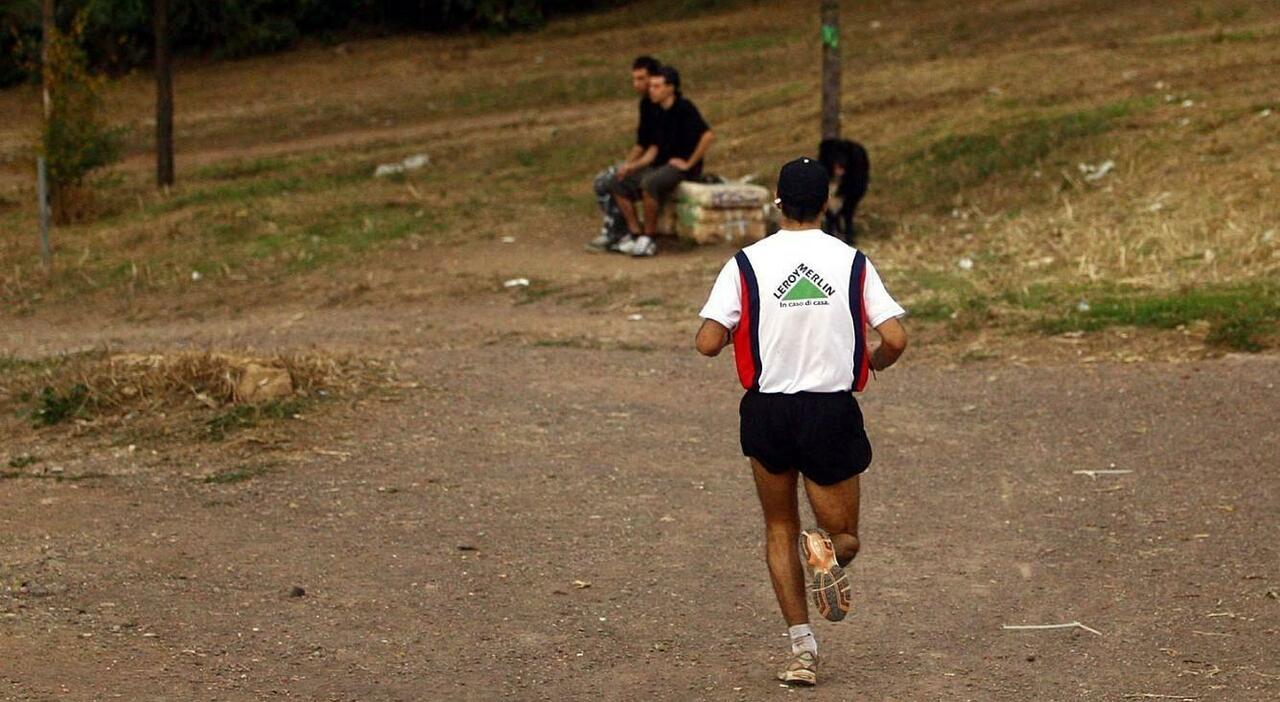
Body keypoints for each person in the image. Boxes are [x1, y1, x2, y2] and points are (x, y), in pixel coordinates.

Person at [694, 157, 907, 686]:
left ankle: (801, 652)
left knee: (778, 527)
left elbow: (707, 342)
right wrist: (871, 362)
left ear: (778, 201)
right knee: (844, 536)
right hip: (829, 410)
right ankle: (827, 551)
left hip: (767, 411)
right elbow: (896, 337)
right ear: (828, 204)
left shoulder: (745, 263)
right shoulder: (852, 262)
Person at [611, 65, 714, 257]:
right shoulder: (657, 112)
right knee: (618, 182)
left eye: (657, 86)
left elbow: (707, 136)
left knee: (650, 184)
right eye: (651, 86)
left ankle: (650, 237)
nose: (652, 90)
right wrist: (631, 166)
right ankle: (635, 232)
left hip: (680, 166)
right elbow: (653, 149)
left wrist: (690, 163)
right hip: (660, 164)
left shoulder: (684, 108)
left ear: (670, 88)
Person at [586, 55, 664, 252]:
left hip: (657, 164)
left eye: (641, 78)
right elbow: (642, 143)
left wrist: (631, 167)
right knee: (607, 178)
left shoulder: (663, 106)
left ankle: (618, 232)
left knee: (609, 181)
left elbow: (655, 148)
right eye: (634, 79)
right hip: (645, 161)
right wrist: (626, 165)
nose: (636, 84)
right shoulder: (645, 105)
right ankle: (623, 230)